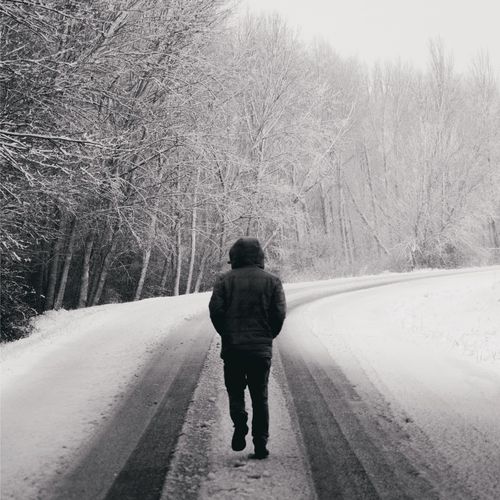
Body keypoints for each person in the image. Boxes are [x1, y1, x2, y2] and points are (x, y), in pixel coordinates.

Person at [209, 237, 286, 459]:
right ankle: (260, 443)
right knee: (260, 396)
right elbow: (279, 313)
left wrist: (227, 333)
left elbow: (215, 311)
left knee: (235, 391)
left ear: (235, 257)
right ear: (259, 256)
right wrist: (268, 335)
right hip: (260, 350)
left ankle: (239, 421)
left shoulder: (224, 281)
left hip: (233, 348)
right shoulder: (272, 281)